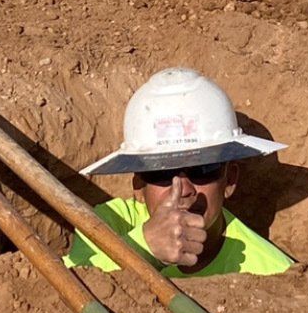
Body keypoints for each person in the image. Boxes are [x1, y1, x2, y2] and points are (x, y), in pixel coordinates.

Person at [65, 68, 293, 278]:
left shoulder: (272, 273)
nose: (183, 189)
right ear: (138, 187)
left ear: (230, 180)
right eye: (161, 173)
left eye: (201, 169)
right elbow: (65, 290)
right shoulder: (108, 226)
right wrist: (143, 248)